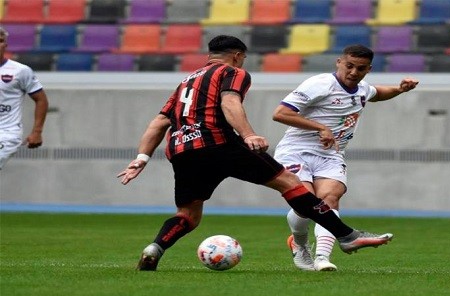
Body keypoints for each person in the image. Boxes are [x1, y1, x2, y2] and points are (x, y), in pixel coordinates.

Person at [117, 35, 393, 271]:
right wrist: (248, 134)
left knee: (188, 214)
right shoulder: (231, 72)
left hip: (182, 149)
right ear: (237, 56)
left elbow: (160, 121)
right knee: (290, 183)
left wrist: (141, 158)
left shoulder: (186, 82)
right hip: (219, 143)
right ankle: (345, 236)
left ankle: (155, 247)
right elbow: (229, 101)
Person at [272, 44, 418, 271]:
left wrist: (400, 90)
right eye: (349, 66)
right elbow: (280, 113)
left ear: (368, 70)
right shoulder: (319, 84)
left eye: (360, 69)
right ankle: (299, 244)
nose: (353, 72)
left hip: (331, 155)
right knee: (306, 205)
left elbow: (378, 94)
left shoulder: (362, 89)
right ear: (339, 62)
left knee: (330, 199)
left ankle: (322, 258)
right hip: (295, 150)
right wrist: (320, 127)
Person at [0, 26, 49, 170]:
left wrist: (37, 132)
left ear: (5, 45)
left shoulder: (20, 71)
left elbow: (41, 100)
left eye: (0, 41)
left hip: (7, 133)